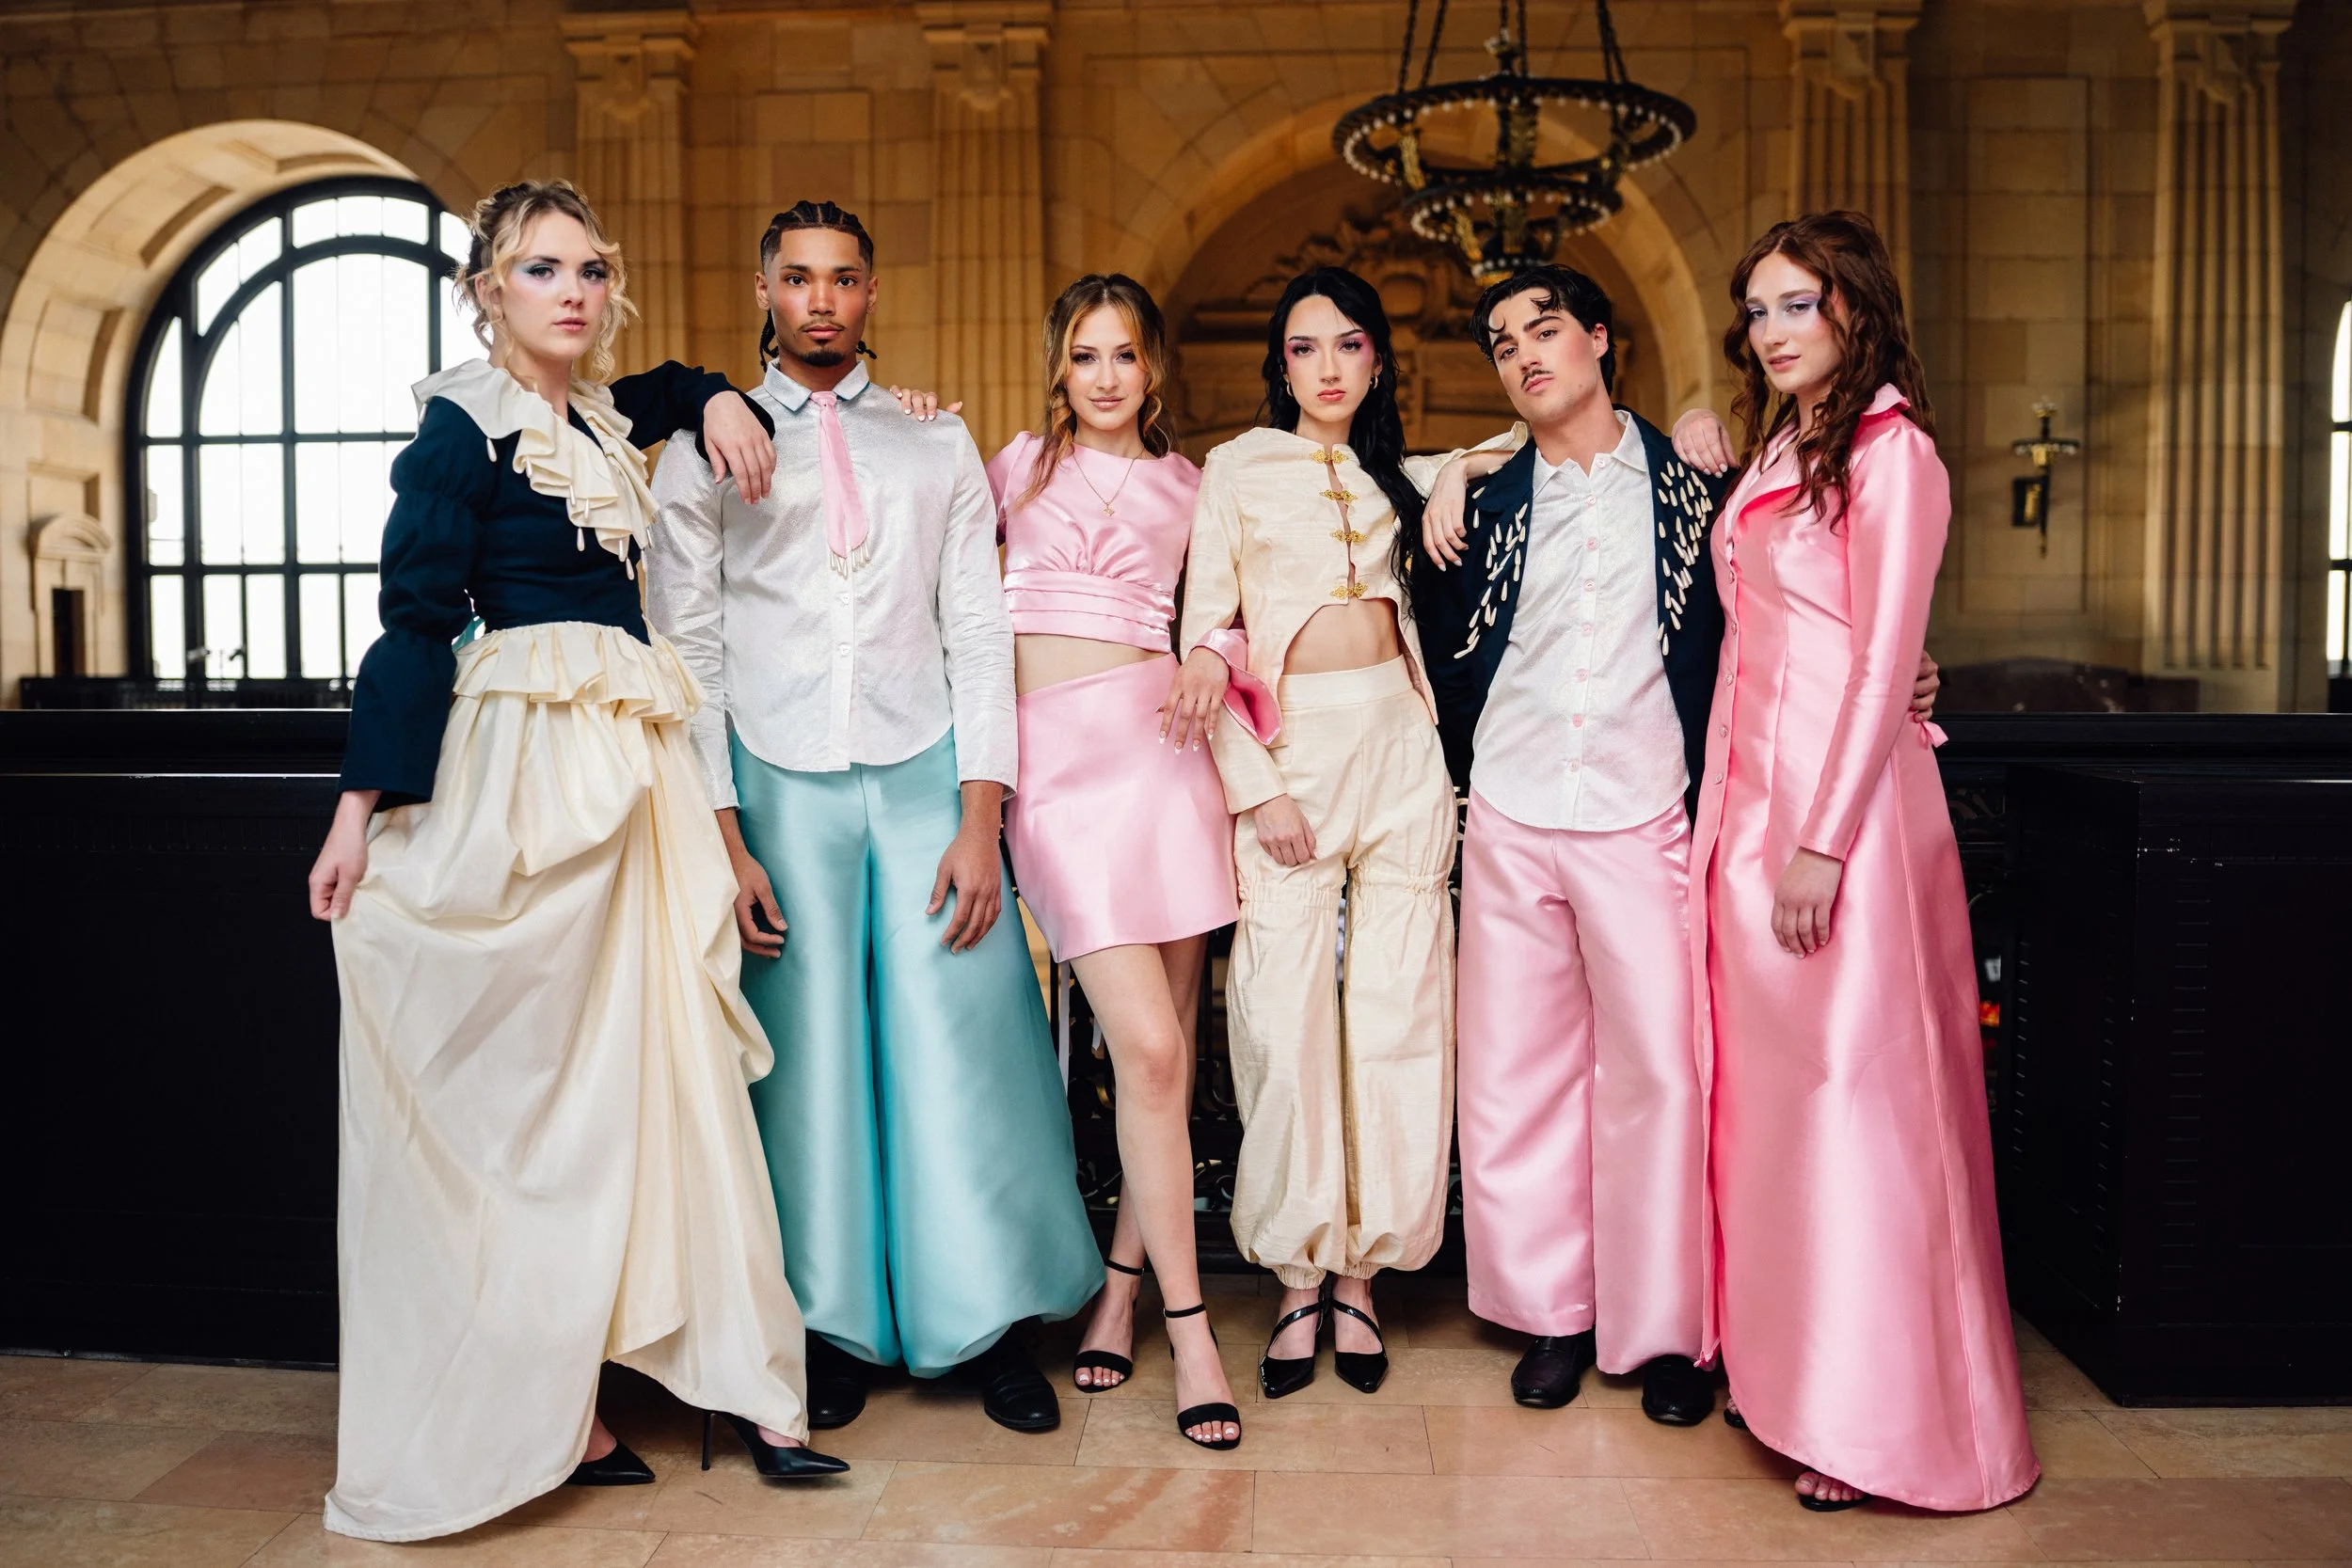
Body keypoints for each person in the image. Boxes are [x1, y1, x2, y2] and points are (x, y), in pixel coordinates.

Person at [306, 180, 846, 1544]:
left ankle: (743, 1372)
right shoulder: (458, 425)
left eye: (592, 270)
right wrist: (358, 807)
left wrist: (721, 390)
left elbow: (663, 379)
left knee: (663, 1070)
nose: (574, 290)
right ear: (489, 287)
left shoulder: (605, 417)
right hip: (532, 769)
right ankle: (553, 1401)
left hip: (644, 771)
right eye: (542, 268)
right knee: (533, 1100)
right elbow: (416, 618)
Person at [1411, 266, 1946, 1421]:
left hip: (1646, 806)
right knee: (1513, 1076)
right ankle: (1551, 1312)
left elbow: (1800, 598)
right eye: (1502, 344)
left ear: (1600, 339)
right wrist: (1451, 467)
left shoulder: (1700, 476)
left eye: (1543, 330)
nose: (1525, 355)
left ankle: (1660, 1329)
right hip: (1505, 806)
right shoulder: (1484, 494)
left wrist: (1912, 675)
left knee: (1661, 1070)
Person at [646, 200, 1098, 1436]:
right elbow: (687, 647)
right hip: (772, 775)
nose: (824, 301)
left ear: (873, 293)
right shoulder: (700, 449)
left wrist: (980, 812)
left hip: (924, 769)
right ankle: (827, 1323)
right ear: (765, 288)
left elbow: (978, 629)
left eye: (845, 280)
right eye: (800, 280)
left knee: (969, 1035)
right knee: (807, 1060)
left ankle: (995, 1320)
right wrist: (724, 835)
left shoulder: (934, 447)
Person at [1679, 210, 2037, 1513]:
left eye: (1794, 306)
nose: (1770, 332)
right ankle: (1790, 1377)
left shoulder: (1897, 456)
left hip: (1850, 824)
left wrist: (1821, 842)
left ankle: (1882, 1419)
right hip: (1755, 813)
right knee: (1780, 1114)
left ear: (1853, 309)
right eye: (1757, 311)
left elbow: (1886, 659)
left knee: (1864, 1106)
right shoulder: (1787, 444)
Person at [1175, 265, 1465, 1399]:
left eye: (1349, 344)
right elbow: (1208, 626)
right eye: (1306, 347)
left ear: (1377, 359)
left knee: (1399, 1008)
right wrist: (1257, 788)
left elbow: (1525, 443)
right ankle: (1299, 1273)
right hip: (1293, 756)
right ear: (1280, 364)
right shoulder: (1236, 468)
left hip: (1404, 748)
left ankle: (1365, 1276)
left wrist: (1685, 423)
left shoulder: (1408, 472)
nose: (1330, 365)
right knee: (1281, 1015)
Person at [984, 274, 1247, 1450]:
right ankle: (1196, 1329)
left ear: (1152, 370)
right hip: (1055, 777)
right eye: (1085, 355)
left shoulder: (1197, 487)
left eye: (1125, 356)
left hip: (1166, 757)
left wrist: (1209, 646)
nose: (1104, 376)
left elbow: (1244, 600)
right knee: (1143, 1044)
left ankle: (1128, 1287)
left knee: (1173, 1049)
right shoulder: (1006, 470)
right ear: (1060, 365)